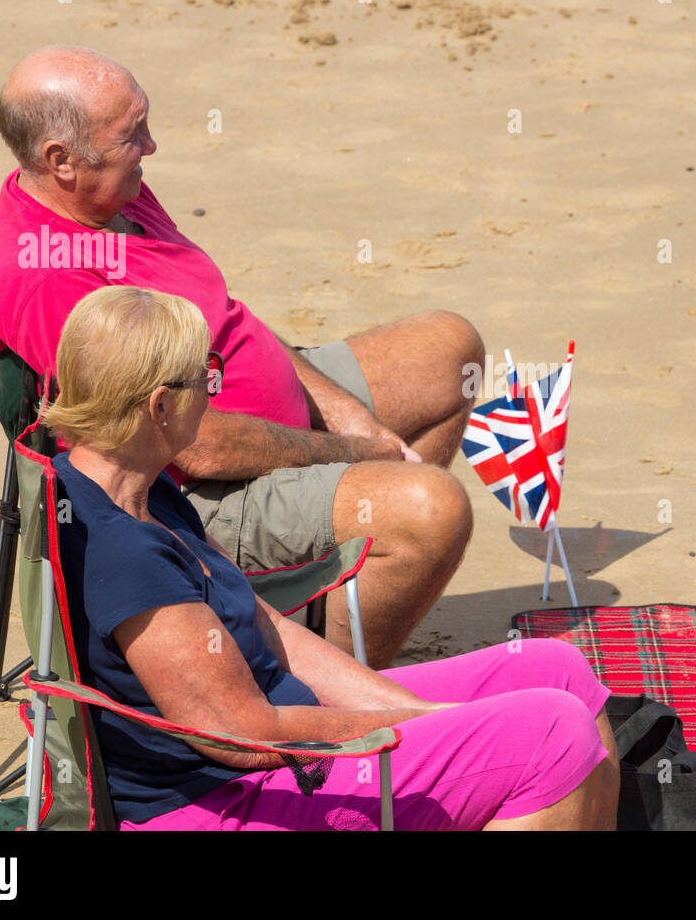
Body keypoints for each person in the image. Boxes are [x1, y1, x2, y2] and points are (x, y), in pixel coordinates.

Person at [0, 45, 483, 668]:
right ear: (61, 161)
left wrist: (347, 414)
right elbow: (196, 445)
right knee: (432, 506)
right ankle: (328, 692)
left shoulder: (108, 197)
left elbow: (223, 310)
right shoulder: (48, 279)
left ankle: (338, 607)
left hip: (250, 411)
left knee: (449, 351)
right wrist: (360, 451)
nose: (151, 147)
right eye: (133, 135)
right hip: (197, 493)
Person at [40, 285, 618, 830]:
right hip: (233, 799)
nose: (214, 391)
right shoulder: (125, 554)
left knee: (558, 671)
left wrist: (417, 709)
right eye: (204, 380)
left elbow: (269, 628)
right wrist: (414, 728)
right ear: (160, 406)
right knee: (554, 732)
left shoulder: (137, 487)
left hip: (286, 744)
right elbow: (239, 734)